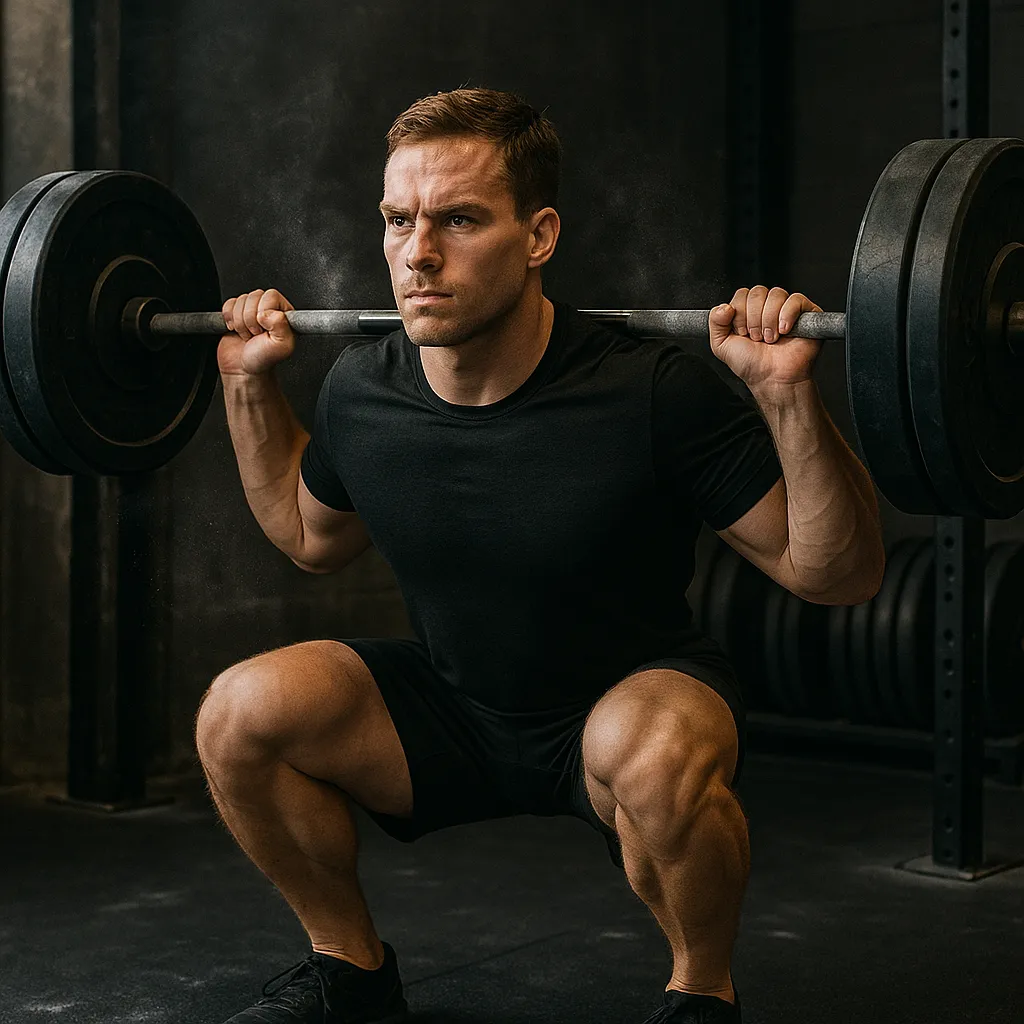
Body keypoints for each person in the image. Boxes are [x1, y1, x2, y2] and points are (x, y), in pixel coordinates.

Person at [196, 87, 886, 1024]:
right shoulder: (365, 388)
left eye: (460, 220)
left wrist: (787, 398)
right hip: (450, 707)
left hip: (625, 698)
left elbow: (835, 574)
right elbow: (313, 540)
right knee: (240, 713)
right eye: (398, 220)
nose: (417, 253)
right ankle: (349, 972)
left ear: (540, 235)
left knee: (648, 753)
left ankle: (702, 995)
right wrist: (245, 389)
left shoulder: (651, 390)